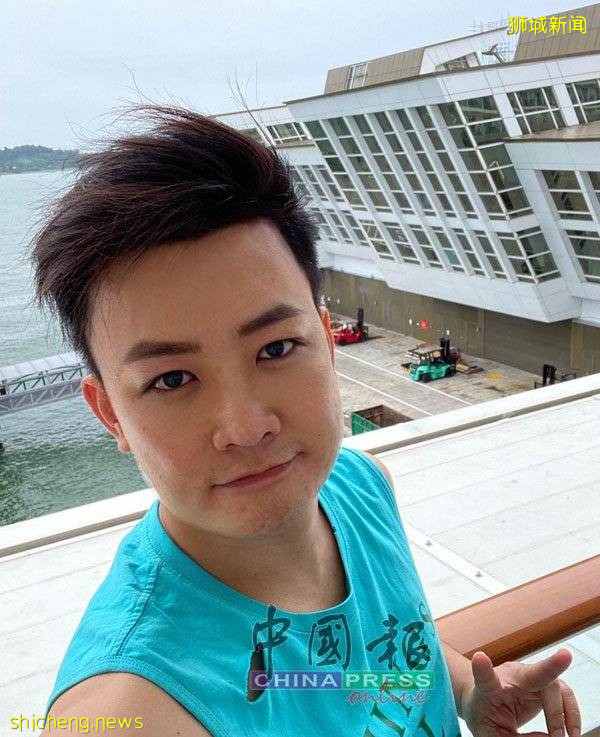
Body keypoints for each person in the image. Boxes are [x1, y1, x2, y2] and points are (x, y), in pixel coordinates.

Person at [32, 106, 581, 737]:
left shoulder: (360, 487)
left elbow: (359, 665)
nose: (245, 427)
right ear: (111, 415)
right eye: (172, 380)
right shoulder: (129, 711)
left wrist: (466, 692)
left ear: (325, 340)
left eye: (276, 348)